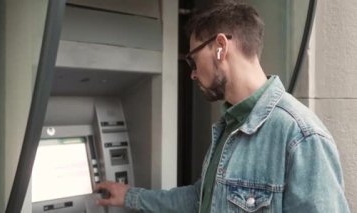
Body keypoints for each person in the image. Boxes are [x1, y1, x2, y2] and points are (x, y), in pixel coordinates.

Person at [96, 1, 350, 212]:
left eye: (193, 60)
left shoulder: (300, 136)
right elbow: (201, 199)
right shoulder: (231, 125)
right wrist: (130, 196)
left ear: (220, 47)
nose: (193, 74)